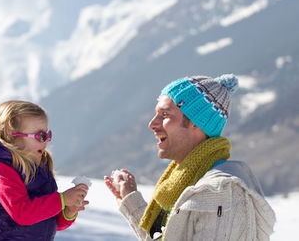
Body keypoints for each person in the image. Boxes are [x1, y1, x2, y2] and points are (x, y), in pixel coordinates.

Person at [104, 74, 276, 240]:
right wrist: (129, 199)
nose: (152, 124)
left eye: (165, 115)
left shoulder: (220, 193)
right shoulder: (185, 184)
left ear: (196, 122)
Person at [0, 100, 89, 240]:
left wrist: (68, 210)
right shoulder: (0, 170)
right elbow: (23, 213)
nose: (46, 141)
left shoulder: (39, 165)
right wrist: (62, 199)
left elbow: (48, 220)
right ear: (12, 136)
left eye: (48, 135)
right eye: (40, 136)